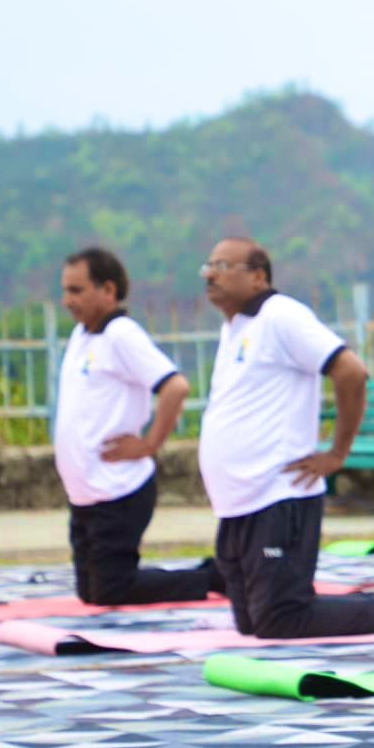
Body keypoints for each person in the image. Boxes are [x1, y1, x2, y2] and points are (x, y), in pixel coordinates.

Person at [198, 235, 374, 637]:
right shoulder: (235, 326)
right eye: (209, 267)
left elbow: (351, 371)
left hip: (278, 495)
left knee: (280, 619)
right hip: (237, 502)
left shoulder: (281, 316)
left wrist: (337, 452)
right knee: (251, 623)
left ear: (257, 277)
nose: (211, 275)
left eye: (223, 267)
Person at [55, 247, 220, 605]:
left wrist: (149, 444)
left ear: (108, 290)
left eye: (77, 290)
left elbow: (175, 386)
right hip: (86, 493)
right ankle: (205, 573)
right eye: (66, 290)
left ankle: (210, 577)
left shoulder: (121, 335)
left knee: (111, 591)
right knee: (91, 593)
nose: (68, 300)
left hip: (119, 491)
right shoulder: (82, 337)